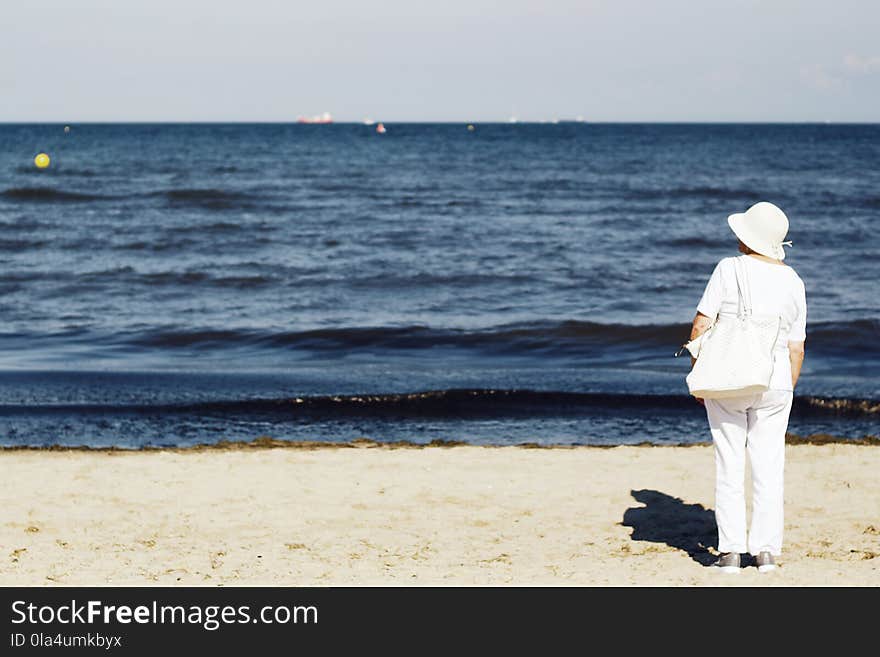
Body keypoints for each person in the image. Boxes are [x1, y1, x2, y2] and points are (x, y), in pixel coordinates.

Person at [688, 202, 807, 574]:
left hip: (729, 379)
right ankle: (766, 552)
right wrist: (785, 388)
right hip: (774, 382)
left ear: (748, 237)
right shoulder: (794, 281)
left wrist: (701, 372)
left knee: (729, 462)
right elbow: (797, 347)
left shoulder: (728, 268)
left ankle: (731, 553)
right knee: (769, 466)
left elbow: (700, 326)